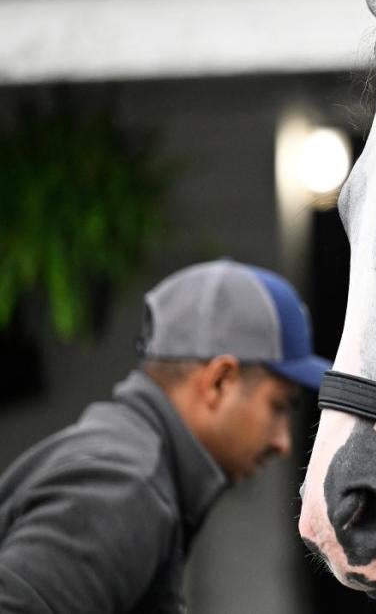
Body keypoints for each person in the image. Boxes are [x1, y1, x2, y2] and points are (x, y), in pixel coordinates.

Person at [0, 260, 331, 614]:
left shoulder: (131, 463)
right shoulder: (122, 487)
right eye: (279, 406)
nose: (283, 443)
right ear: (219, 381)